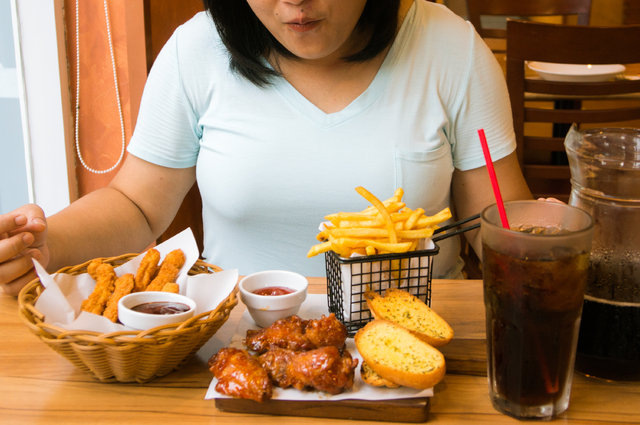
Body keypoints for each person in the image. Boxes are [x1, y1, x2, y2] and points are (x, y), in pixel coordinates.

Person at [0, 0, 531, 296]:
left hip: (418, 335)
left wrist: (545, 251)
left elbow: (498, 216)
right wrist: (44, 245)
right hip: (238, 339)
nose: (294, 1)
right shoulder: (196, 50)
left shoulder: (452, 49)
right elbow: (137, 205)